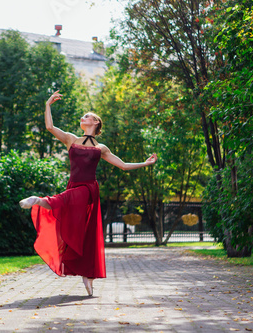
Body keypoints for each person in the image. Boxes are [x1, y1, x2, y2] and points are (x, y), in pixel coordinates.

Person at [19, 90, 157, 296]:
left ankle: (41, 200)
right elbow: (49, 127)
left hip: (88, 190)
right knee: (81, 233)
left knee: (82, 215)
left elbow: (124, 165)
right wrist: (48, 104)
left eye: (86, 116)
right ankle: (86, 276)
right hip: (73, 187)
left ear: (95, 122)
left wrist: (145, 163)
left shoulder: (102, 148)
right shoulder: (71, 139)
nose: (82, 118)